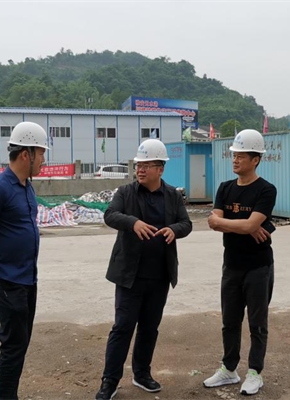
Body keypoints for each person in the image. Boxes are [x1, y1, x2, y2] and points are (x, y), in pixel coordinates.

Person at [94, 139, 192, 400]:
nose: (140, 169)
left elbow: (186, 223)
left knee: (149, 328)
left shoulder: (172, 195)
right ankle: (109, 381)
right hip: (130, 275)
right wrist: (133, 223)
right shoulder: (125, 192)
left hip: (159, 275)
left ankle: (141, 374)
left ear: (160, 169)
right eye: (139, 164)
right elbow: (110, 215)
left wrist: (174, 229)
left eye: (147, 165)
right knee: (122, 327)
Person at [0, 121, 48, 400]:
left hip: (27, 277)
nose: (44, 160)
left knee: (21, 340)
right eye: (41, 154)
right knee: (14, 344)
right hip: (6, 279)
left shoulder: (26, 186)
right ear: (26, 154)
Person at [204, 129, 277, 396]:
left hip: (258, 267)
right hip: (231, 265)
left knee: (257, 323)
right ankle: (229, 369)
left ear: (255, 159)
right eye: (234, 155)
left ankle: (255, 372)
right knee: (230, 321)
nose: (235, 159)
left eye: (241, 156)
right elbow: (213, 223)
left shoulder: (266, 190)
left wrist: (243, 225)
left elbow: (229, 222)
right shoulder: (225, 188)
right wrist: (247, 226)